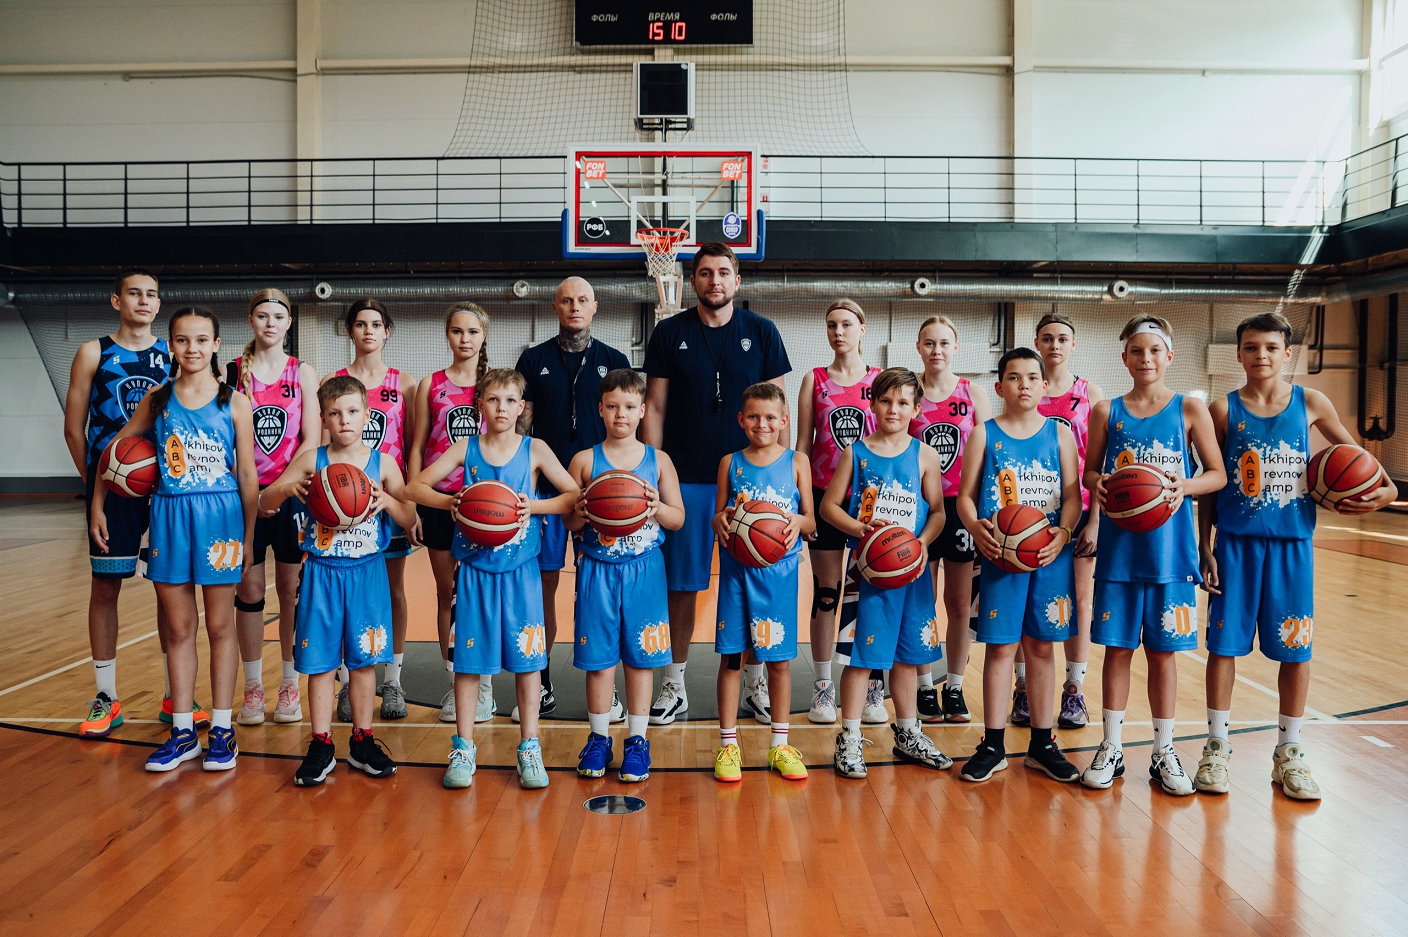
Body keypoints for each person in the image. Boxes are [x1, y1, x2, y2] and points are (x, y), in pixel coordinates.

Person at [1197, 312, 1397, 800]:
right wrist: (1203, 545)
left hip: (1293, 548)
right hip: (1235, 545)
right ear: (1238, 354)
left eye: (1271, 347)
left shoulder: (1312, 402)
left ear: (1288, 354)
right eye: (1251, 347)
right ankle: (1216, 748)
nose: (1261, 355)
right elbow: (1210, 485)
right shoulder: (1222, 410)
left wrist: (1385, 491)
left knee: (1296, 650)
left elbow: (1364, 464)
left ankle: (1289, 751)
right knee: (1223, 647)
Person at [91, 307, 258, 773]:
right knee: (180, 629)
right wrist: (98, 503)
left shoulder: (234, 402)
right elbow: (114, 450)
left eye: (202, 340)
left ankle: (221, 730)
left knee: (220, 627)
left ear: (216, 345)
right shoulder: (158, 399)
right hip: (169, 516)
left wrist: (248, 537)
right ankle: (183, 732)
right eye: (183, 340)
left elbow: (248, 476)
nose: (192, 348)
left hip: (221, 517)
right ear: (170, 346)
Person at [406, 368, 579, 790]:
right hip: (475, 573)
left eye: (510, 400)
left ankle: (530, 748)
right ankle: (464, 748)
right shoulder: (465, 448)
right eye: (493, 399)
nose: (502, 408)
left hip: (522, 574)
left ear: (522, 408)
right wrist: (453, 502)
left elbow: (573, 494)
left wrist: (533, 507)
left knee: (529, 664)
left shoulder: (535, 449)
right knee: (468, 666)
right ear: (480, 405)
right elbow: (414, 488)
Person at [643, 243, 792, 725]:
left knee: (752, 580)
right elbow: (655, 408)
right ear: (692, 281)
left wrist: (782, 475)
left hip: (752, 485)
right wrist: (652, 470)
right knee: (682, 587)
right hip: (685, 479)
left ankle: (754, 682)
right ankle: (674, 683)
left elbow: (780, 409)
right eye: (705, 273)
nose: (715, 281)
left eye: (724, 272)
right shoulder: (669, 332)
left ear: (737, 280)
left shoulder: (762, 331)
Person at [1080, 315, 1227, 795]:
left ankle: (1164, 750)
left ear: (1169, 357)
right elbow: (1090, 474)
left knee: (1164, 655)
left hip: (1171, 554)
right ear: (1124, 358)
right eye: (1137, 351)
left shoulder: (1190, 408)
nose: (1146, 359)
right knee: (1117, 650)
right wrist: (1101, 483)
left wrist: (1183, 486)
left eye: (1154, 351)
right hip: (1120, 553)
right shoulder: (1106, 411)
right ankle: (1112, 746)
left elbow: (1217, 475)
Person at [261, 375, 416, 786]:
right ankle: (321, 743)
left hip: (367, 572)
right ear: (324, 418)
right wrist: (288, 489)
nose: (344, 420)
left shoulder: (383, 464)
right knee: (320, 663)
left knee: (363, 662)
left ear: (367, 415)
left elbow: (410, 517)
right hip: (322, 572)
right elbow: (264, 501)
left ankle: (362, 741)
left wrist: (388, 500)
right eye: (334, 413)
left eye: (352, 411)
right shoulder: (311, 460)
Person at [65, 269, 191, 738]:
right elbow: (73, 428)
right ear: (116, 301)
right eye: (134, 293)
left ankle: (174, 694)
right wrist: (98, 488)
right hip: (113, 492)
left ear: (159, 304)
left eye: (151, 294)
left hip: (166, 489)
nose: (143, 300)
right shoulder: (93, 352)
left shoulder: (173, 353)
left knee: (169, 590)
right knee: (104, 588)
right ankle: (106, 696)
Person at [955, 347, 1081, 783]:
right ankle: (993, 745)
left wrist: (1063, 533)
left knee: (1042, 647)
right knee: (1001, 648)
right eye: (1013, 377)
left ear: (1045, 386)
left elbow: (1073, 496)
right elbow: (965, 496)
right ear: (999, 386)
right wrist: (975, 527)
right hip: (1001, 557)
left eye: (1031, 377)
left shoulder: (1060, 434)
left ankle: (1042, 744)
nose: (1023, 384)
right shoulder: (983, 434)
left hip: (1049, 556)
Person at [820, 368, 950, 779]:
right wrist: (859, 529)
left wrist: (921, 544)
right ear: (873, 404)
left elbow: (938, 511)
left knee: (907, 658)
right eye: (886, 401)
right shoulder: (856, 452)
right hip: (868, 572)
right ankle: (850, 736)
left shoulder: (925, 455)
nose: (894, 409)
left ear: (916, 409)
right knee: (861, 659)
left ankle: (908, 733)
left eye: (903, 403)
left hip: (912, 573)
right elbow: (828, 507)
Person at [515, 277, 630, 724]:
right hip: (546, 492)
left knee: (597, 590)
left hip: (602, 495)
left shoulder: (614, 360)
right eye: (566, 300)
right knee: (542, 588)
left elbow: (628, 427)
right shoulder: (533, 359)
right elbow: (522, 428)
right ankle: (541, 681)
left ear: (595, 307)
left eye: (582, 300)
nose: (575, 307)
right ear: (555, 307)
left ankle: (606, 687)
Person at [565, 369, 685, 783]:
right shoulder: (584, 461)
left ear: (642, 411)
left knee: (640, 660)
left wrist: (656, 507)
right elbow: (568, 523)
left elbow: (678, 518)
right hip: (596, 569)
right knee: (599, 662)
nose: (621, 414)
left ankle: (637, 741)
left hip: (644, 571)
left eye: (630, 407)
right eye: (613, 406)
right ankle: (599, 739)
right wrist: (579, 512)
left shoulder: (658, 461)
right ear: (600, 409)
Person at [710, 383, 815, 782]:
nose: (762, 424)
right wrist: (719, 520)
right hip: (737, 573)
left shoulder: (797, 461)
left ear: (784, 421)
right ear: (741, 419)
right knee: (732, 659)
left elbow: (811, 519)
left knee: (779, 662)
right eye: (753, 416)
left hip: (779, 574)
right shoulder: (729, 462)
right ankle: (728, 746)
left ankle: (780, 745)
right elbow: (718, 515)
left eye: (771, 417)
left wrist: (799, 522)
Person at [228, 289, 319, 727]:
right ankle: (252, 688)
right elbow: (223, 438)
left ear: (288, 323)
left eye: (278, 316)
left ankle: (289, 685)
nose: (270, 323)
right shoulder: (230, 372)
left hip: (291, 495)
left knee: (290, 592)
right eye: (262, 316)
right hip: (242, 495)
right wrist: (253, 492)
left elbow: (312, 439)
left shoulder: (302, 372)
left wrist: (279, 490)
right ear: (251, 320)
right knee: (249, 592)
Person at [327, 298, 419, 722]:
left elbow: (412, 446)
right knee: (348, 597)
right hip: (341, 504)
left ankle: (393, 680)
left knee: (393, 590)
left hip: (387, 498)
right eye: (361, 324)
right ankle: (349, 681)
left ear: (387, 331)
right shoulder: (333, 381)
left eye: (376, 324)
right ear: (350, 331)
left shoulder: (406, 383)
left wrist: (408, 504)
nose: (368, 331)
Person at [1016, 313, 1104, 730]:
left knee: (1080, 602)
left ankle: (1074, 690)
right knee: (1023, 601)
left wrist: (1095, 520)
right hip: (1026, 516)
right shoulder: (1025, 387)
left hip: (1078, 510)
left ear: (1073, 344)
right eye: (1047, 338)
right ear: (1037, 342)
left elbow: (1099, 463)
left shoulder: (1090, 394)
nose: (1054, 345)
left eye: (1062, 339)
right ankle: (1022, 689)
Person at [794, 299, 880, 725]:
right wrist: (803, 504)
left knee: (871, 591)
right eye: (831, 325)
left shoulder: (880, 380)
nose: (838, 332)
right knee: (826, 592)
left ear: (862, 328)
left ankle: (873, 685)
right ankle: (823, 686)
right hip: (824, 495)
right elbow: (803, 446)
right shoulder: (814, 379)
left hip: (871, 498)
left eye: (846, 324)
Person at [409, 302, 491, 725]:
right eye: (458, 331)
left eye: (473, 331)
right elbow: (418, 445)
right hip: (440, 501)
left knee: (480, 593)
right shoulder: (431, 384)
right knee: (448, 594)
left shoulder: (494, 384)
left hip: (486, 504)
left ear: (483, 336)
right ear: (448, 335)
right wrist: (412, 503)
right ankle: (455, 682)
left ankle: (485, 686)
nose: (465, 339)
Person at [908, 315, 992, 724]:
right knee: (921, 601)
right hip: (919, 508)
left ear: (956, 347)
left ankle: (954, 686)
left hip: (961, 506)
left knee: (958, 603)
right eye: (929, 343)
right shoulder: (909, 393)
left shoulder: (973, 392)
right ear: (918, 347)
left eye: (944, 343)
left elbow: (990, 453)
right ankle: (925, 686)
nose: (936, 350)